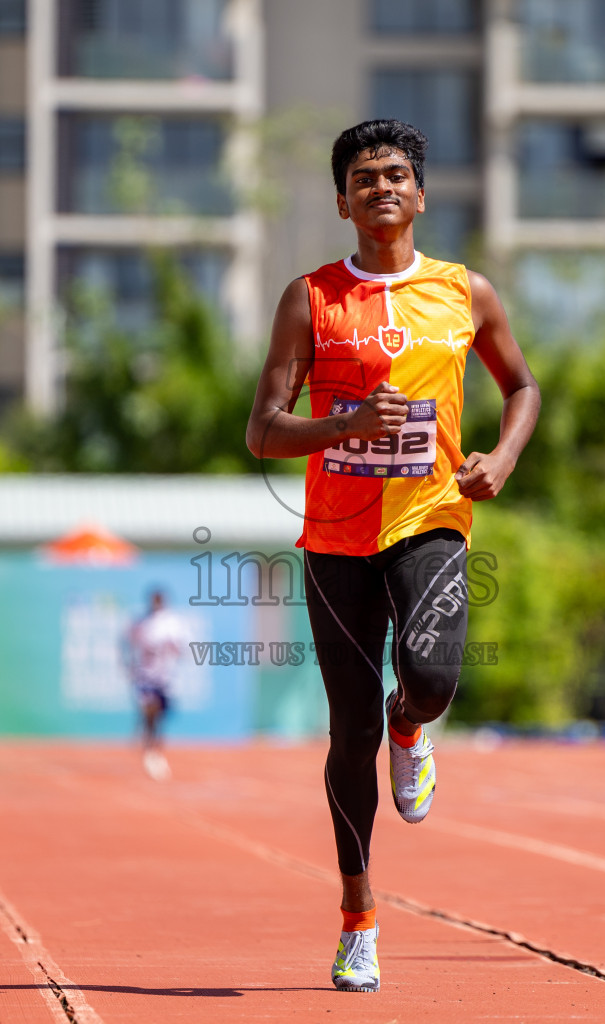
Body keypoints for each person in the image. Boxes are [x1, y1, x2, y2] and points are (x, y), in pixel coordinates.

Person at [245, 119, 539, 993]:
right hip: (336, 537)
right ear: (342, 201)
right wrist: (341, 424)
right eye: (364, 177)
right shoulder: (309, 298)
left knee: (434, 675)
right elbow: (263, 429)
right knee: (347, 732)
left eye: (397, 174)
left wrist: (503, 455)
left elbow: (521, 385)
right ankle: (358, 917)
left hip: (431, 516)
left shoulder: (465, 293)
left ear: (420, 194)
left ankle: (412, 724)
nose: (381, 186)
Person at [126, 588, 187, 781]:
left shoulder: (172, 622)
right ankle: (150, 749)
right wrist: (130, 665)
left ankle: (153, 742)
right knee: (149, 708)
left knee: (160, 713)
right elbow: (129, 643)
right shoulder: (142, 623)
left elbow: (180, 646)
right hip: (146, 675)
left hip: (165, 677)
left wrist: (172, 649)